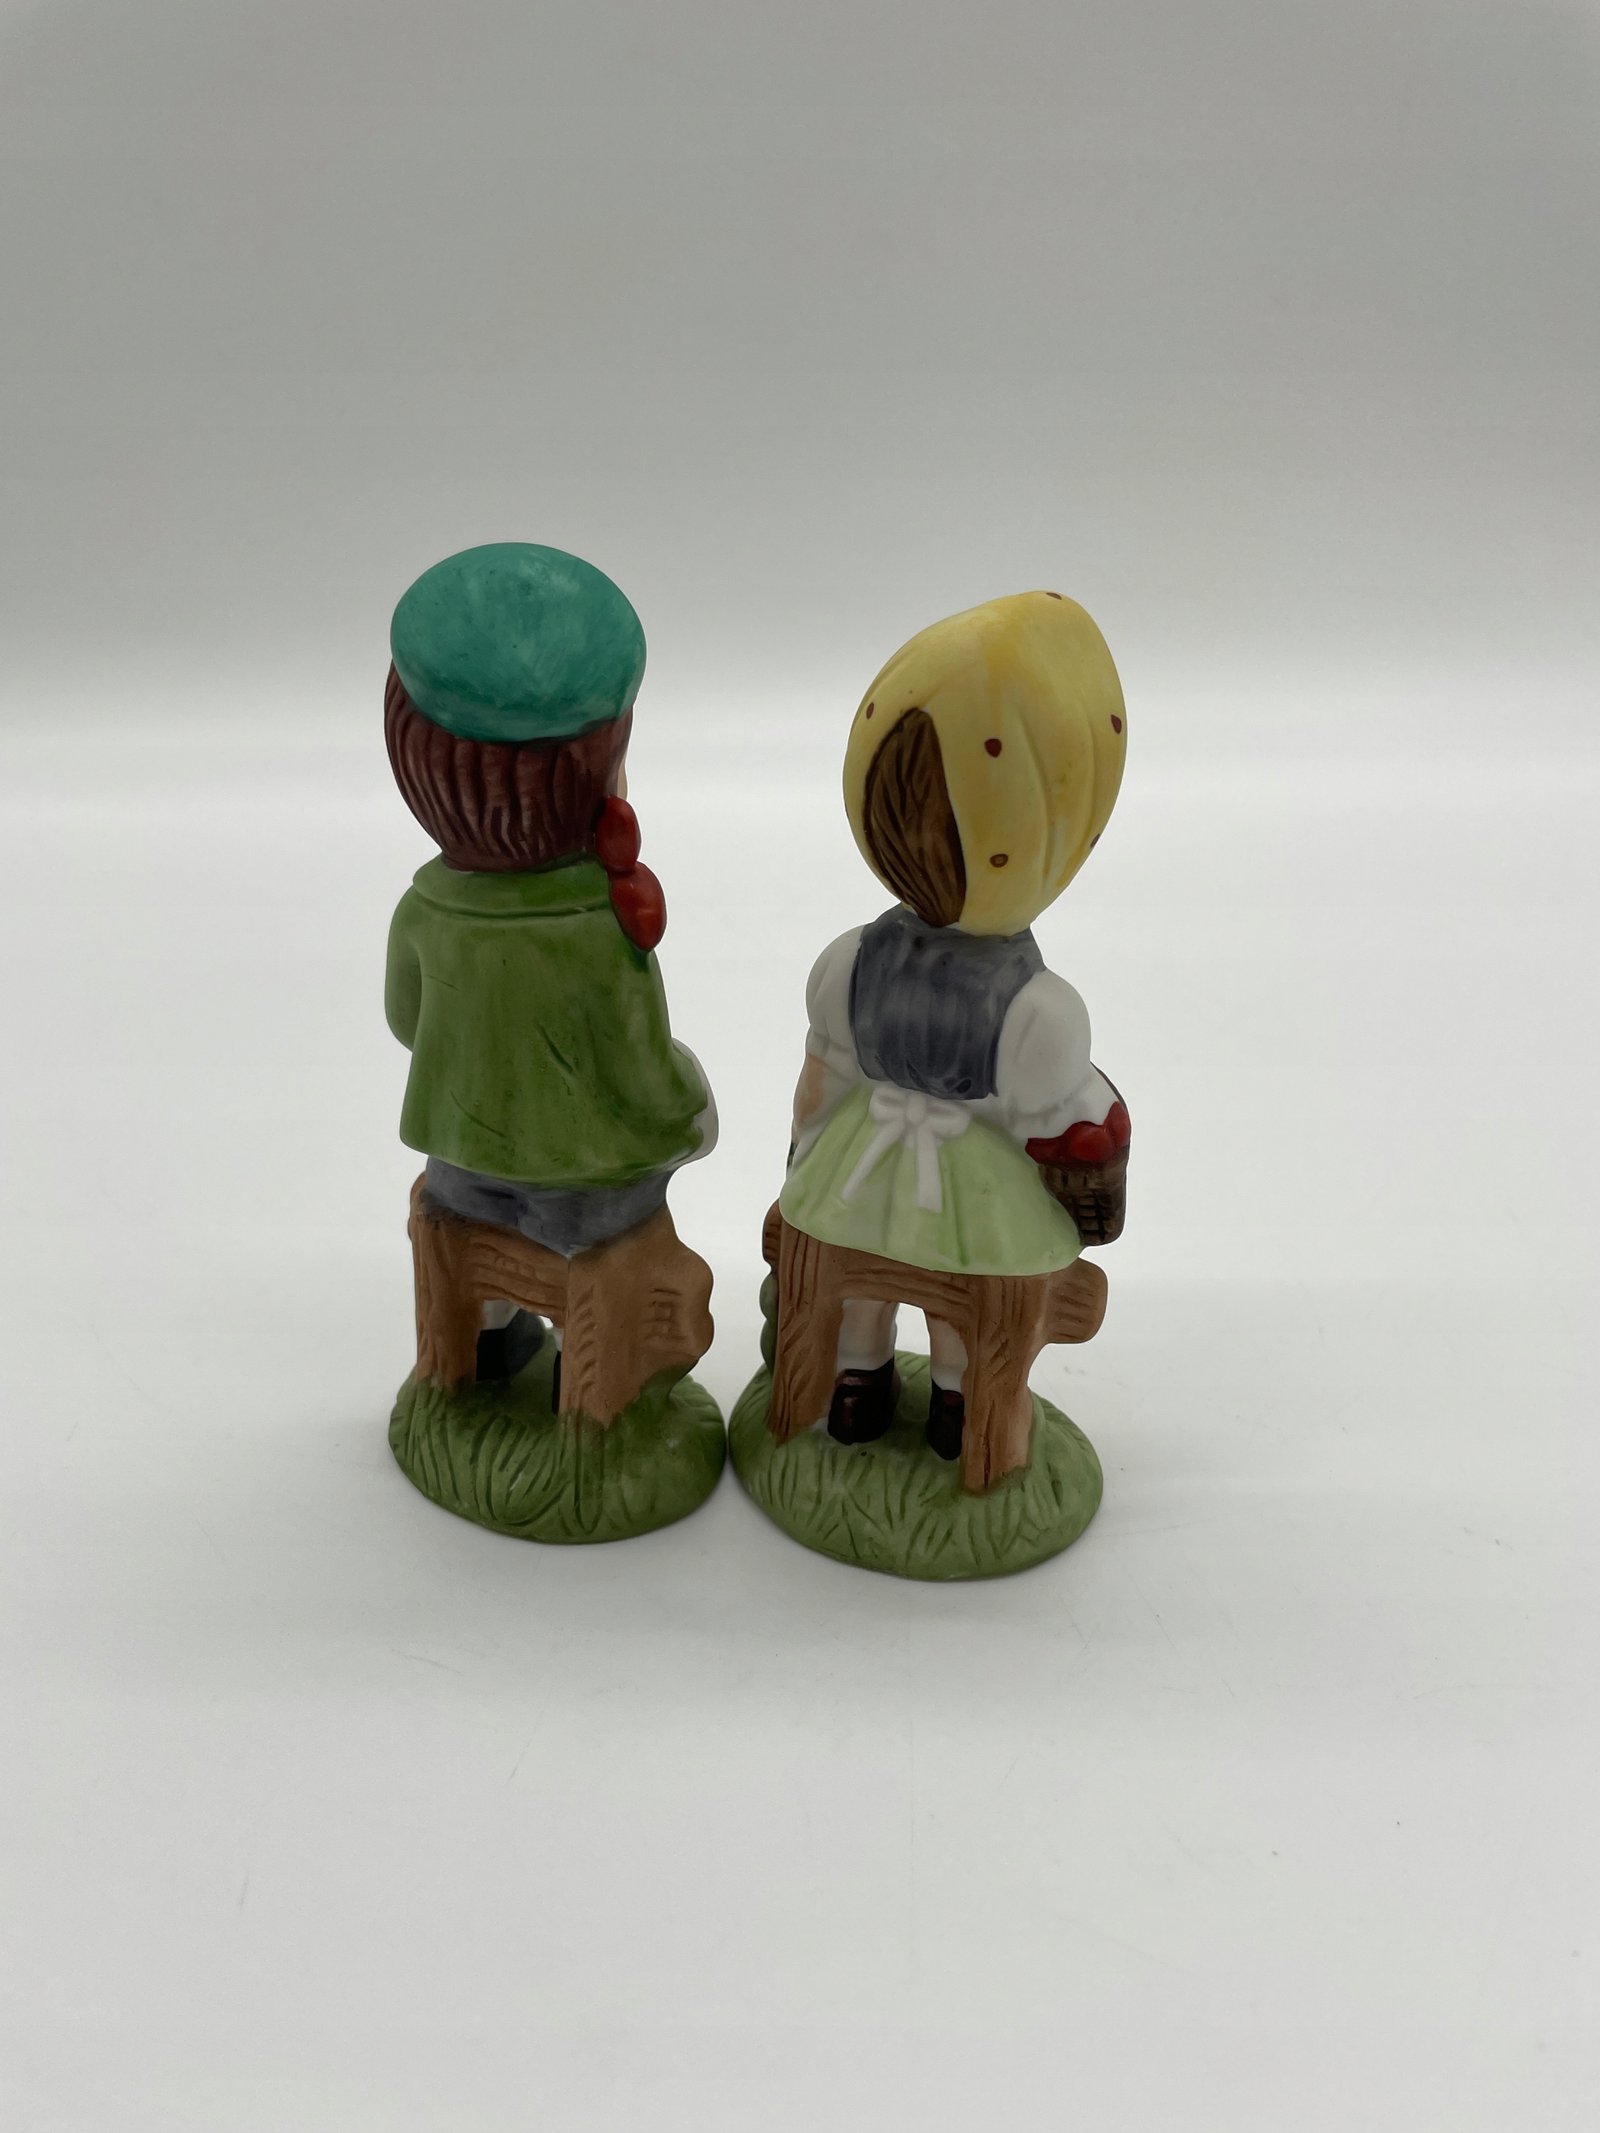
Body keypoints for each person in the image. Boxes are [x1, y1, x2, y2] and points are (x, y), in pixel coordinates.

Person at [778, 589, 1127, 1460]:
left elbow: (822, 1084)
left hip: (861, 1167)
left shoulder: (849, 962)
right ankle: (945, 1396)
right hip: (969, 1188)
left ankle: (862, 1383)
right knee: (957, 1291)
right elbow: (1060, 1116)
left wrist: (802, 1161)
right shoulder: (1036, 1013)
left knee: (874, 1287)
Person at [383, 543, 716, 1383]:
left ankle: (492, 1341)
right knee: (605, 1224)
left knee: (461, 1200)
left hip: (459, 1164)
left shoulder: (424, 907)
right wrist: (692, 1106)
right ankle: (583, 1365)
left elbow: (405, 1022)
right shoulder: (598, 927)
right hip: (583, 1190)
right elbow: (639, 1069)